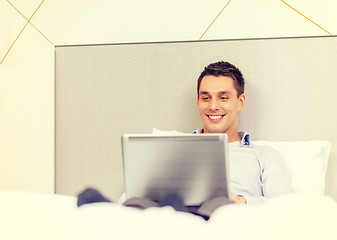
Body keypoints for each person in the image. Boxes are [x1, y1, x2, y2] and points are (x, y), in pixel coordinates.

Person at [77, 61, 294, 219]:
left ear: (241, 101)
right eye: (205, 97)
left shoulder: (263, 155)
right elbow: (137, 195)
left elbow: (287, 207)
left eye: (223, 97)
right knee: (138, 202)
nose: (213, 106)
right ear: (198, 101)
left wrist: (242, 201)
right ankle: (109, 214)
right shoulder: (169, 149)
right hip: (162, 212)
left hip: (222, 218)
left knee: (217, 205)